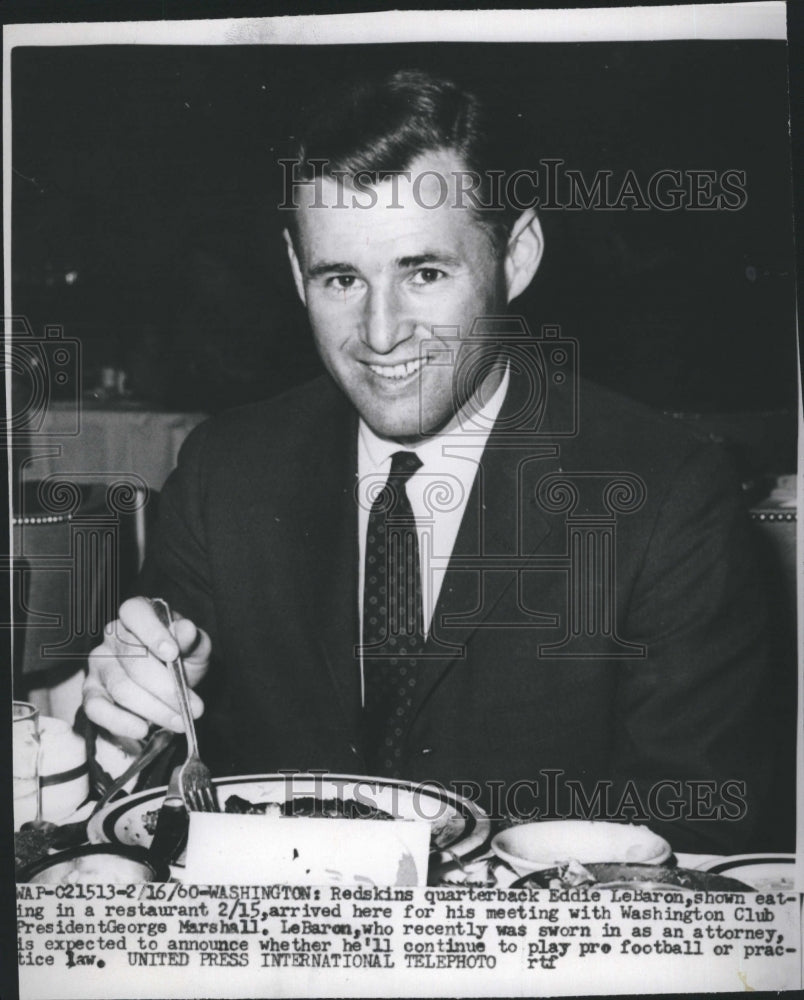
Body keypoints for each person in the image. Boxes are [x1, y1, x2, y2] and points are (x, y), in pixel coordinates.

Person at [83, 70, 771, 853]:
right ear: (293, 268)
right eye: (341, 278)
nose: (381, 333)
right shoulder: (225, 470)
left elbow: (700, 828)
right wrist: (141, 698)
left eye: (425, 273)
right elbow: (147, 771)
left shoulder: (665, 494)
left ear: (517, 255)